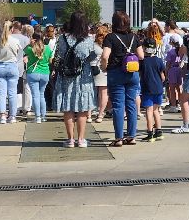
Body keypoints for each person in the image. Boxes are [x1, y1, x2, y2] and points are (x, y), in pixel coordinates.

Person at [53, 13, 99, 148]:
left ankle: (70, 140)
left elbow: (59, 55)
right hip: (83, 76)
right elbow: (91, 57)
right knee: (82, 108)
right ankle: (81, 139)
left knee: (68, 107)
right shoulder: (88, 40)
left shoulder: (62, 38)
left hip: (66, 76)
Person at [104, 11, 145, 146]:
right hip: (132, 73)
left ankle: (119, 138)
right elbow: (141, 56)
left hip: (116, 73)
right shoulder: (134, 36)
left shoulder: (110, 37)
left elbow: (105, 55)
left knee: (118, 105)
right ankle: (131, 136)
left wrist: (104, 66)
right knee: (131, 104)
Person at [141, 22, 168, 141]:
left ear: (143, 48)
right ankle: (159, 131)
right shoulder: (158, 60)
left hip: (147, 88)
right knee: (156, 110)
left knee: (149, 110)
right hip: (158, 88)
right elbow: (163, 76)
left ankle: (150, 132)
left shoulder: (142, 62)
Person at [0, 24, 22, 125]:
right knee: (12, 93)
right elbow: (18, 52)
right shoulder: (15, 41)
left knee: (2, 93)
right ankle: (12, 116)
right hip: (12, 66)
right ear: (12, 29)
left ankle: (2, 116)